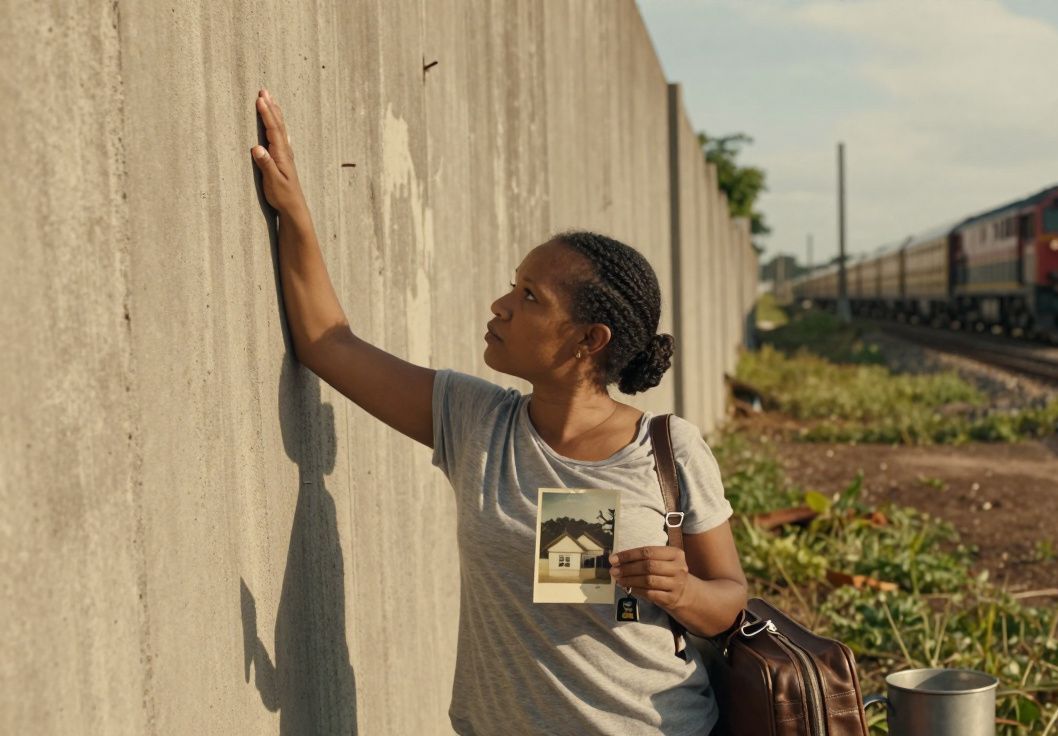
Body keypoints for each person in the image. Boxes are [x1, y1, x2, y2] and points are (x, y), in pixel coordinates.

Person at [251, 88, 748, 736]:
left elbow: (729, 602)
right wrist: (294, 211)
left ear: (587, 339)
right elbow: (327, 343)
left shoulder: (666, 451)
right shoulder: (473, 419)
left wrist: (682, 591)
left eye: (529, 296)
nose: (500, 305)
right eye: (514, 285)